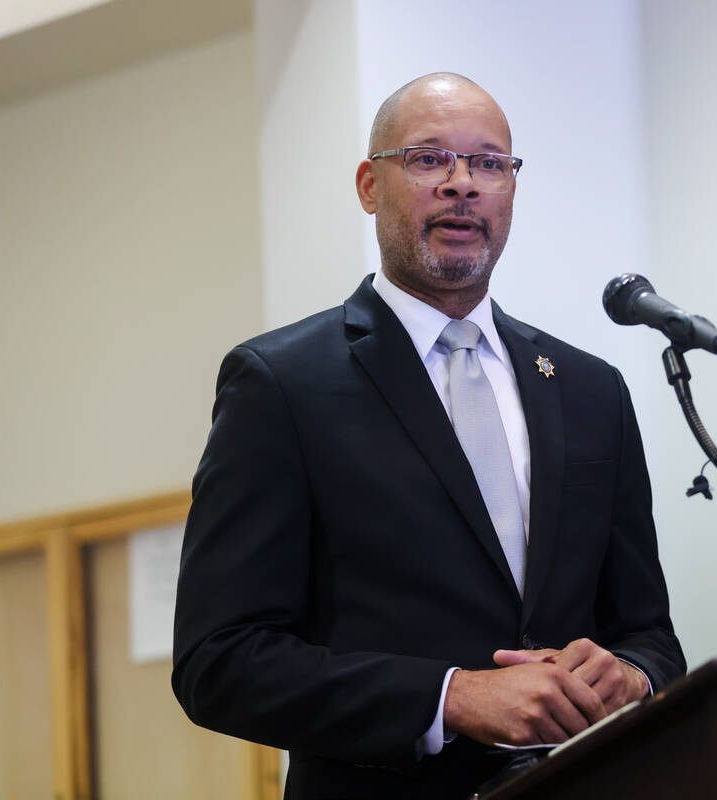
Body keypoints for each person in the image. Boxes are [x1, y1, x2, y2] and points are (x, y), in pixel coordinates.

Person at [171, 72, 685, 799]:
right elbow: (217, 662)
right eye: (427, 158)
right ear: (369, 185)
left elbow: (651, 636)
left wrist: (633, 673)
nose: (462, 184)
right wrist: (448, 698)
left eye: (488, 163)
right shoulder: (282, 384)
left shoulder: (589, 389)